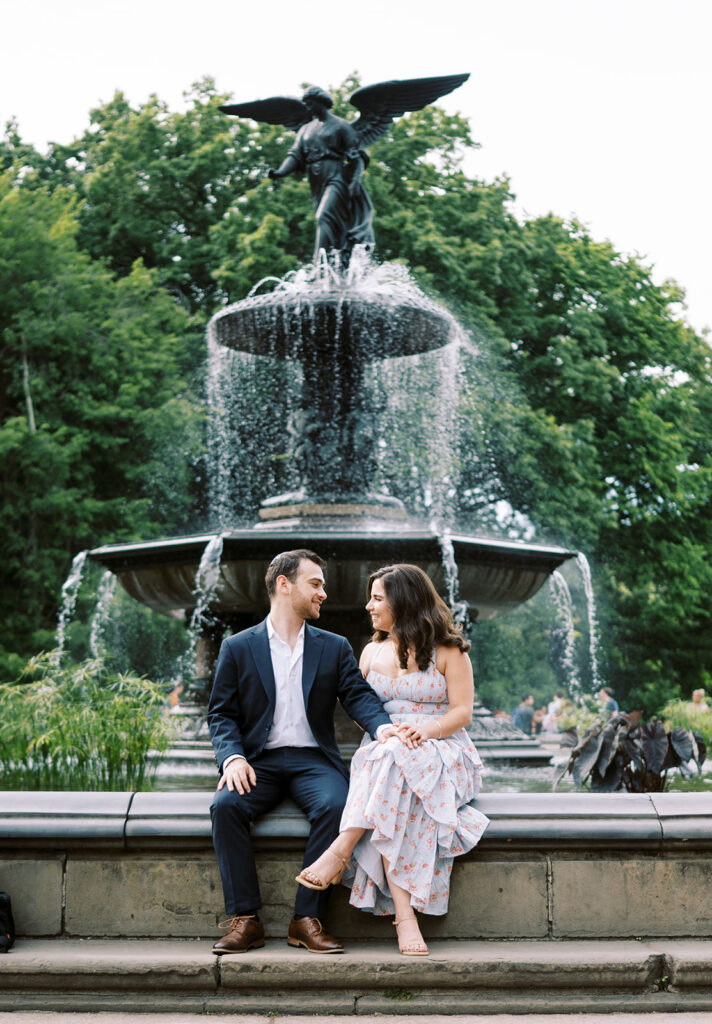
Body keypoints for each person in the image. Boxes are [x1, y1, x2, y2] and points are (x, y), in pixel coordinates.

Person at [294, 564, 489, 957]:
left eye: (378, 598)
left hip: (442, 747)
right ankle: (405, 916)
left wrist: (425, 730)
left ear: (404, 601)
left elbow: (463, 712)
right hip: (387, 750)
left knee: (389, 757)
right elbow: (355, 702)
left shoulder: (449, 650)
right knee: (389, 760)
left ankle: (340, 849)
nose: (368, 606)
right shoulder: (371, 651)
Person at [208, 549, 396, 955]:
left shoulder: (334, 646)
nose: (323, 593)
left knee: (338, 805)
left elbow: (359, 697)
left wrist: (385, 730)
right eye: (315, 584)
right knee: (225, 807)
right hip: (257, 761)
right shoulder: (238, 647)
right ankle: (246, 920)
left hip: (314, 761)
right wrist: (232, 757)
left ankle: (305, 919)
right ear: (283, 584)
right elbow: (221, 714)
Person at [268, 86, 374, 261]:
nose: (307, 108)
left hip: (336, 176)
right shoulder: (305, 129)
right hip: (316, 179)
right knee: (331, 222)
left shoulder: (341, 126)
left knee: (323, 216)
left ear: (321, 102)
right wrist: (280, 172)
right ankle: (336, 260)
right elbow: (295, 154)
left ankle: (321, 266)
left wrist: (355, 178)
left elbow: (358, 154)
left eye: (310, 104)